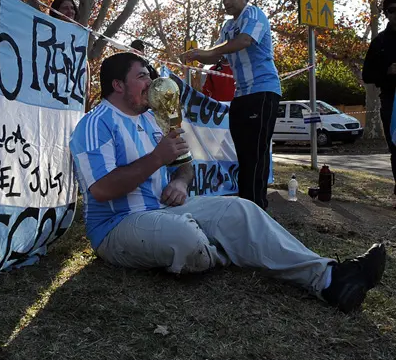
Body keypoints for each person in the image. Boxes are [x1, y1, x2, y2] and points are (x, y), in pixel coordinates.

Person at [69, 51, 386, 313]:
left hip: (163, 210)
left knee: (241, 210)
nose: (151, 82)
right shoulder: (95, 125)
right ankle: (223, 246)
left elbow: (184, 166)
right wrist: (156, 158)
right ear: (117, 84)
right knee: (184, 239)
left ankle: (331, 278)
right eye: (142, 76)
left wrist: (180, 183)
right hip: (116, 227)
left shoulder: (153, 120)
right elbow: (101, 190)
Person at [182, 0, 280, 209]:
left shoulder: (254, 15)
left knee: (256, 151)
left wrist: (206, 52)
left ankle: (256, 206)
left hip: (263, 91)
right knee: (243, 152)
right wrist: (194, 55)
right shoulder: (227, 27)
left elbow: (244, 41)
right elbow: (216, 55)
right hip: (241, 95)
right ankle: (246, 204)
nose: (226, 2)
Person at [362, 0, 396, 201]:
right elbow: (367, 75)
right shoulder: (379, 42)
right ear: (386, 14)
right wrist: (387, 71)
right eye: (392, 10)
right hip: (391, 99)